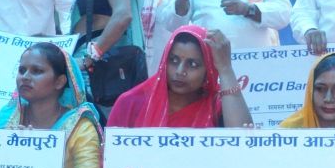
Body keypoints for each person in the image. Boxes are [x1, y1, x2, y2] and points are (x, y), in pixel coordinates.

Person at [106, 27, 253, 128]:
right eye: (174, 60)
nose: (180, 71)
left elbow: (243, 143)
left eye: (193, 64)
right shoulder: (130, 103)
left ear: (208, 71)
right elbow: (110, 158)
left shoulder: (216, 106)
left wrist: (225, 69)